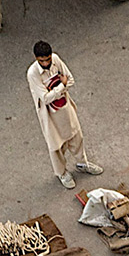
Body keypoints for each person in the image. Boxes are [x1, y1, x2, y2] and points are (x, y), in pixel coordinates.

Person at [27, 41, 100, 189]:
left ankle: (82, 163)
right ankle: (62, 173)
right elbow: (45, 98)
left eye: (48, 59)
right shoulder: (32, 74)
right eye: (43, 61)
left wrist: (57, 90)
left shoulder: (56, 60)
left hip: (65, 108)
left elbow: (70, 80)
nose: (47, 63)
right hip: (50, 115)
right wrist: (61, 86)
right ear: (36, 58)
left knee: (76, 135)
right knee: (56, 146)